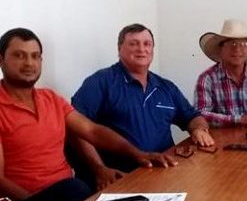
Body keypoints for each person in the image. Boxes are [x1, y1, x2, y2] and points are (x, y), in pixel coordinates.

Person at [0, 28, 172, 201]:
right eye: (19, 55)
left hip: (69, 199)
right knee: (80, 190)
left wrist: (139, 154)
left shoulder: (51, 98)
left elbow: (92, 131)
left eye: (35, 56)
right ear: (0, 60)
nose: (29, 63)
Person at [71, 23, 214, 190]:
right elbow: (76, 130)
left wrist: (198, 130)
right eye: (133, 44)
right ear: (119, 49)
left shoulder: (165, 87)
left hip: (164, 170)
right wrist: (99, 169)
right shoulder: (100, 82)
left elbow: (192, 116)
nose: (141, 49)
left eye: (147, 44)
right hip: (122, 177)